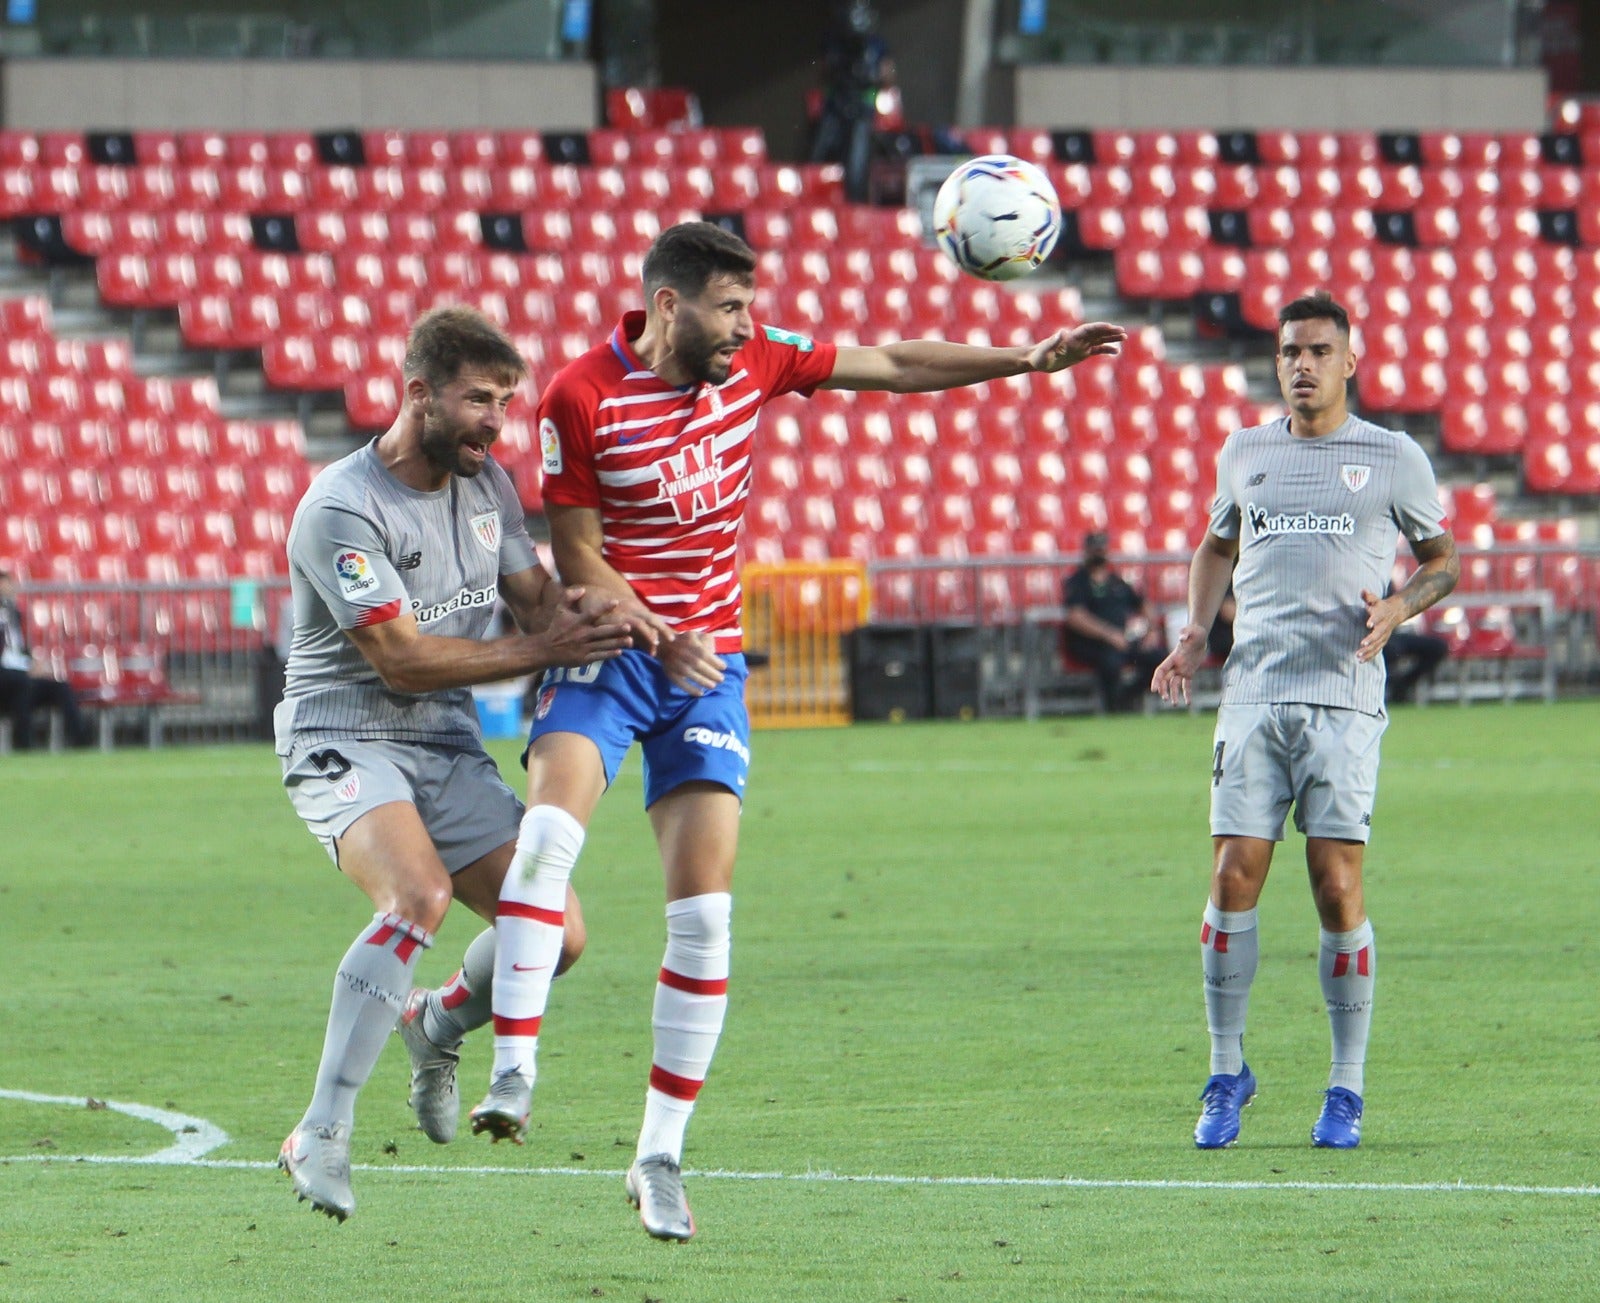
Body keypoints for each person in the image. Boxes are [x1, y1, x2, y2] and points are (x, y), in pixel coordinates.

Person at [447, 220, 1124, 1241]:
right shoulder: (580, 395)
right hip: (613, 651)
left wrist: (1023, 359)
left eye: (749, 307)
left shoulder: (758, 360)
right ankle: (513, 1069)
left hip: (708, 671)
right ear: (668, 305)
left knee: (704, 918)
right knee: (546, 839)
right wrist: (659, 632)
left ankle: (658, 1155)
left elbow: (892, 365)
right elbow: (578, 555)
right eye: (728, 307)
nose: (744, 325)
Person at [274, 307, 650, 1223]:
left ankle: (434, 1020)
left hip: (443, 740)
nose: (496, 421)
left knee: (557, 934)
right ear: (418, 394)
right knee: (418, 896)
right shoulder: (341, 506)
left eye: (506, 402)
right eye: (479, 399)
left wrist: (626, 612)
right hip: (343, 733)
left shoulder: (487, 487)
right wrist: (545, 648)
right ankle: (320, 1128)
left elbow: (538, 607)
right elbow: (400, 659)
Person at [1151, 292, 1459, 1152]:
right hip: (1252, 695)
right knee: (1230, 878)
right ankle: (1225, 1071)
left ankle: (1345, 1086)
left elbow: (1443, 561)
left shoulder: (1392, 456)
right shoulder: (1244, 452)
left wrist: (1399, 606)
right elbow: (1217, 544)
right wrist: (1195, 631)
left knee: (1336, 886)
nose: (1303, 365)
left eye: (1320, 350)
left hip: (1344, 699)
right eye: (1291, 350)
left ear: (1349, 361)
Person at [1060, 531, 1168, 712]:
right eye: (1095, 550)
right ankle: (1113, 706)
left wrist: (1152, 630)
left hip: (1122, 641)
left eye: (1101, 549)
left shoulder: (1116, 582)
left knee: (1158, 657)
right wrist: (1109, 635)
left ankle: (1129, 696)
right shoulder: (1078, 582)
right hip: (1093, 644)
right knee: (1110, 663)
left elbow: (1143, 604)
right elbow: (1076, 616)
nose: (1099, 553)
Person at [0, 568, 93, 749]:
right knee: (22, 683)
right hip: (6, 676)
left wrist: (33, 662)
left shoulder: (14, 614)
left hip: (19, 673)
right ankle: (23, 745)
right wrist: (27, 666)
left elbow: (17, 648)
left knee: (60, 687)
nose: (9, 587)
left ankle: (81, 742)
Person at [1382, 622, 1449, 703]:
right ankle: (1390, 684)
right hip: (1381, 637)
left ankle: (1403, 683)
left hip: (1400, 633)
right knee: (1392, 650)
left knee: (1438, 647)